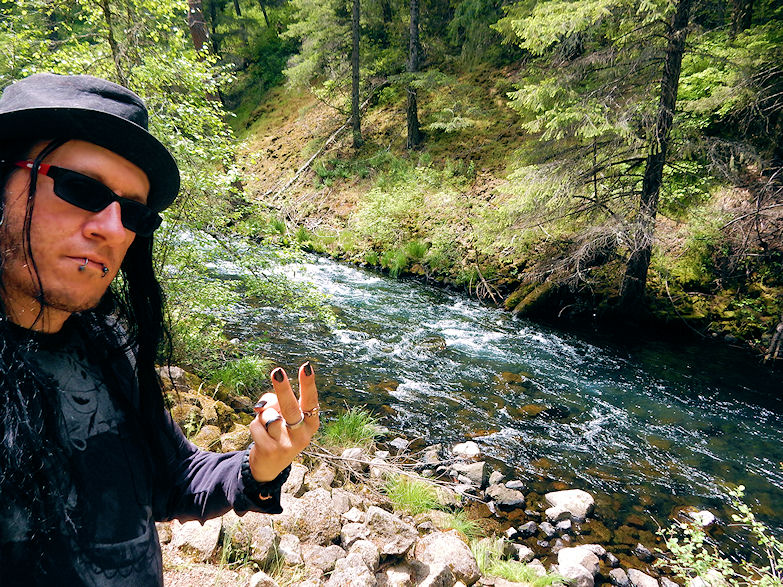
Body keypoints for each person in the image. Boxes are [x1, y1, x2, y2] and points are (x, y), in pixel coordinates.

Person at [0, 72, 320, 586]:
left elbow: (173, 478)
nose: (112, 228)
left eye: (133, 213)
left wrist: (260, 464)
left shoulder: (109, 342)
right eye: (80, 188)